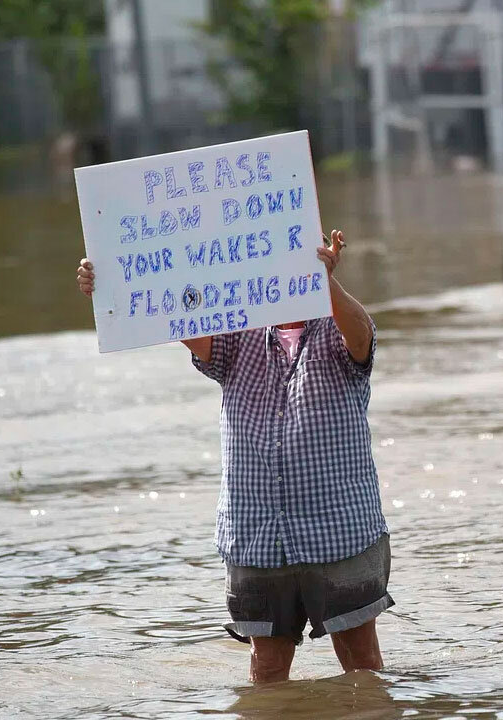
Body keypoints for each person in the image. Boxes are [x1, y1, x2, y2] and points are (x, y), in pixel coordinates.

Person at [76, 230, 392, 683]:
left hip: (338, 533)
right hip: (257, 536)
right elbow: (179, 320)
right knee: (267, 670)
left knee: (362, 668)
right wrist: (111, 280)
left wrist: (326, 286)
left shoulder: (339, 330)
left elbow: (361, 336)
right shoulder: (239, 333)